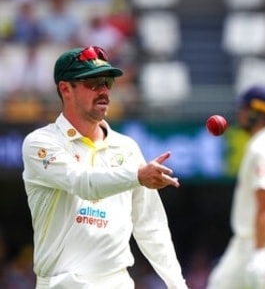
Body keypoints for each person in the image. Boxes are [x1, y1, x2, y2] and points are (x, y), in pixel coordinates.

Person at [21, 46, 188, 289]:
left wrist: (177, 284)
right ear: (66, 89)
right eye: (93, 84)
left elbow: (150, 225)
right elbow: (82, 183)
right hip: (62, 283)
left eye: (107, 82)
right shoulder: (41, 143)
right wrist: (137, 175)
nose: (104, 92)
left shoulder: (126, 147)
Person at [206, 86, 265, 289]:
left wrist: (260, 252)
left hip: (257, 242)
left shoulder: (263, 147)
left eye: (245, 109)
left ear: (259, 112)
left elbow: (264, 202)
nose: (240, 114)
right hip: (261, 241)